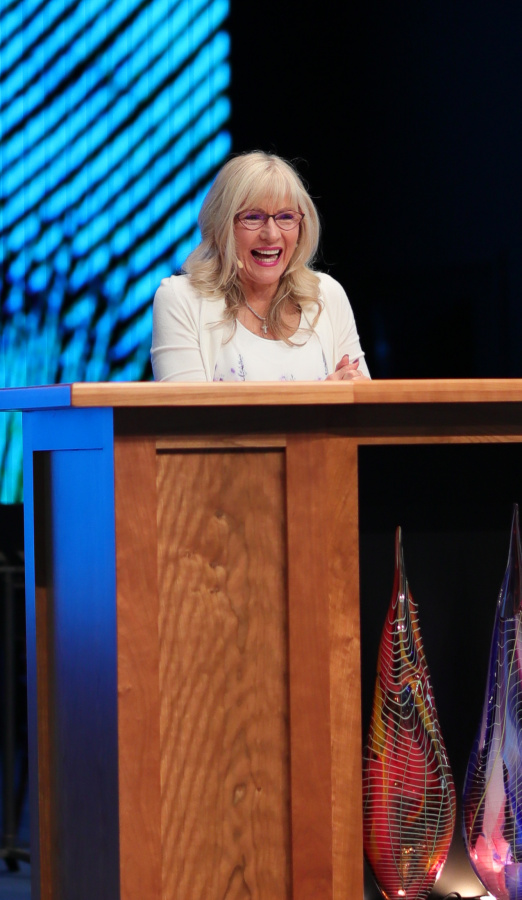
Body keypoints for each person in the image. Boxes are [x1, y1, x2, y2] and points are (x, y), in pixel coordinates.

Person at [151, 151, 370, 383]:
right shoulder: (181, 299)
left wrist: (355, 390)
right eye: (253, 217)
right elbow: (187, 407)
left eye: (286, 217)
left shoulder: (326, 295)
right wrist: (324, 400)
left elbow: (368, 402)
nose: (271, 234)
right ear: (221, 226)